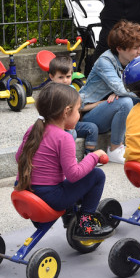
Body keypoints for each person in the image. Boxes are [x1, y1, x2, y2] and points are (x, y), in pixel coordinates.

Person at [15, 83, 114, 240]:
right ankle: (86, 224)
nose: (79, 115)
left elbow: (18, 157)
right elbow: (74, 174)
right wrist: (93, 156)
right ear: (67, 112)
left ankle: (69, 213)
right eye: (78, 110)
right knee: (97, 175)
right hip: (49, 197)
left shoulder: (33, 129)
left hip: (23, 189)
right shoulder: (64, 137)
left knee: (63, 180)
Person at [79, 20, 140, 164]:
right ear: (120, 48)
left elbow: (127, 89)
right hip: (89, 115)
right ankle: (115, 149)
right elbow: (121, 89)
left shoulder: (132, 61)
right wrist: (122, 93)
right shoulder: (105, 61)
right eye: (135, 48)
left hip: (108, 108)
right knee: (126, 101)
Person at [48, 56, 99, 155]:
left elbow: (80, 107)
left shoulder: (72, 89)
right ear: (51, 77)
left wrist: (97, 103)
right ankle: (68, 157)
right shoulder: (51, 92)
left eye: (68, 77)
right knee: (72, 133)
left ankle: (89, 155)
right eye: (60, 77)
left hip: (72, 124)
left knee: (92, 128)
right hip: (57, 127)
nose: (65, 81)